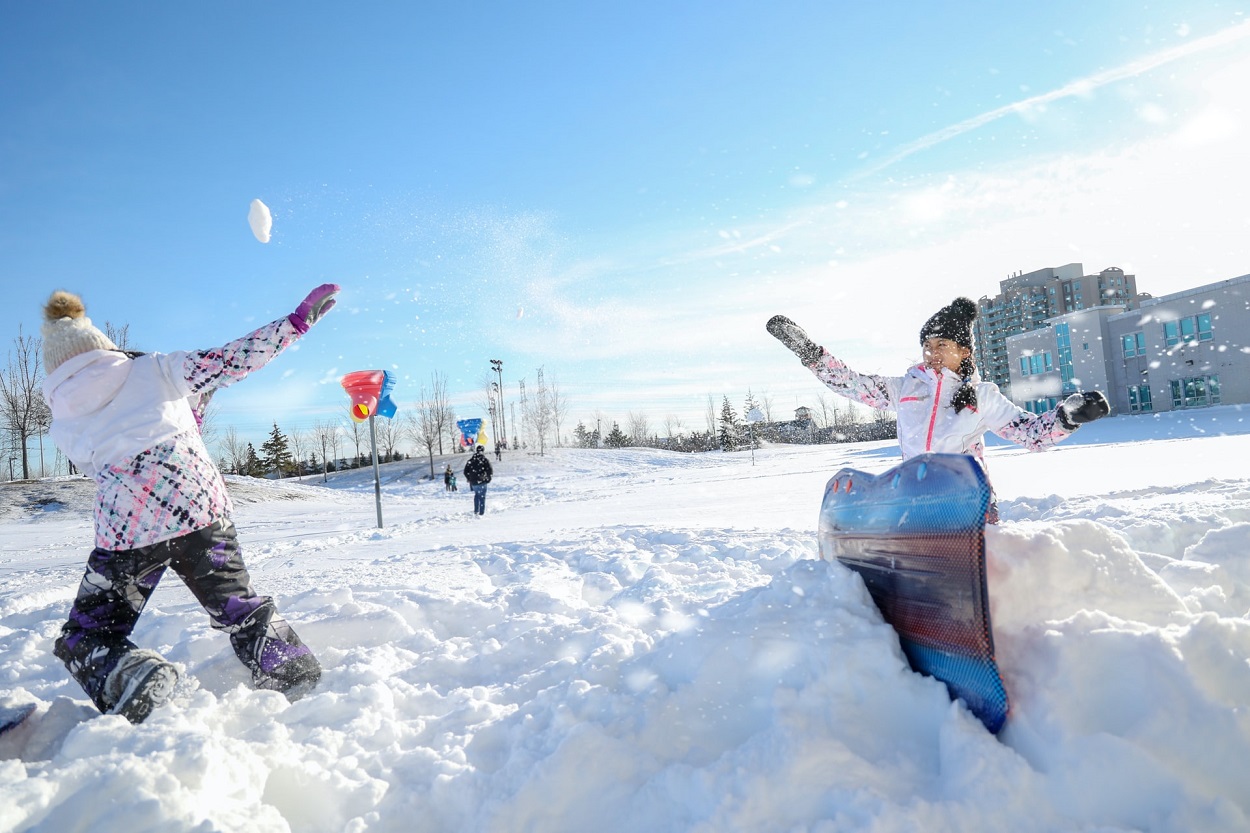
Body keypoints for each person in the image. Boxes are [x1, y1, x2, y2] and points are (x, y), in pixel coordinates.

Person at [40, 284, 340, 723]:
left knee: (85, 634)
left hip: (128, 529)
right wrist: (292, 326)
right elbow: (229, 361)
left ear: (56, 373)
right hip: (199, 508)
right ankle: (292, 671)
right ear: (104, 347)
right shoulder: (153, 369)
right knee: (238, 606)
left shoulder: (62, 422)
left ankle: (132, 680)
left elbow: (98, 466)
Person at [767, 297, 1109, 522]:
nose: (931, 353)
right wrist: (811, 353)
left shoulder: (982, 396)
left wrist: (1067, 416)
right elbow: (852, 384)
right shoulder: (905, 388)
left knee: (968, 573)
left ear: (963, 350)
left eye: (941, 345)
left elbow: (1030, 434)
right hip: (916, 502)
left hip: (968, 505)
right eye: (926, 346)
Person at [463, 444, 494, 516]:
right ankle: (481, 513)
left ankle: (476, 511)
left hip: (473, 482)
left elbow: (465, 471)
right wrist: (488, 479)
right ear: (482, 451)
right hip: (482, 481)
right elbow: (490, 470)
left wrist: (469, 478)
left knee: (477, 495)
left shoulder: (470, 460)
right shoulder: (484, 460)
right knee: (482, 497)